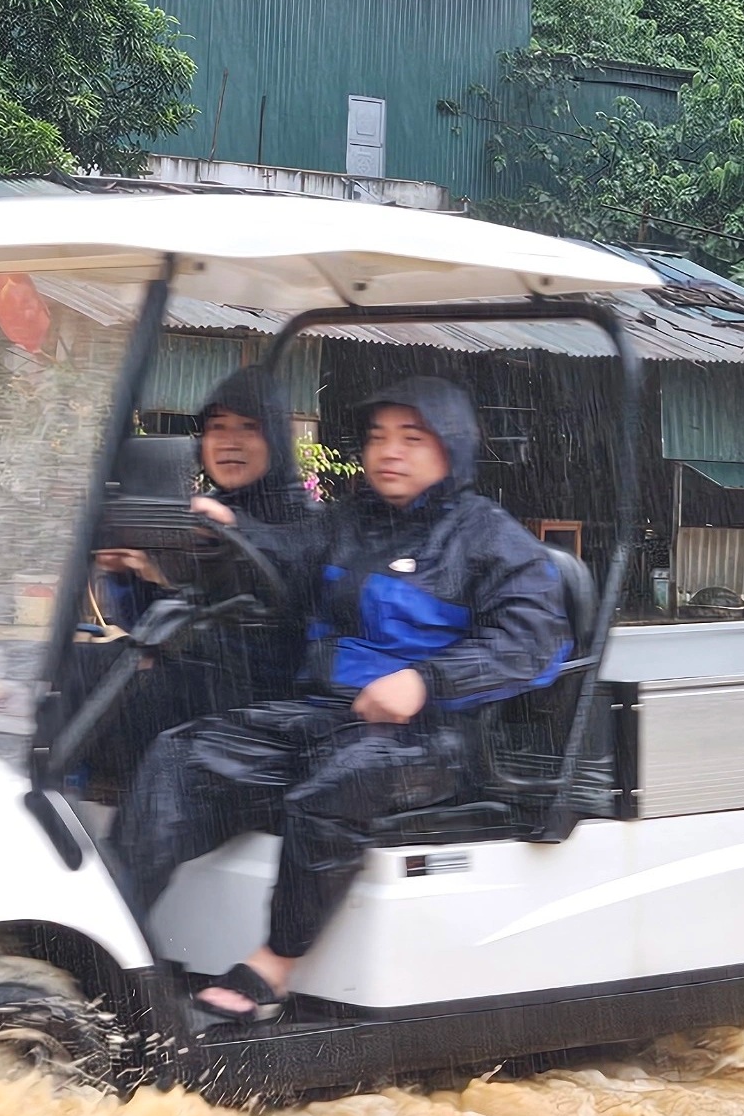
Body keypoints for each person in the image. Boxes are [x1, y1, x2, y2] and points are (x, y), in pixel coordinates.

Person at [116, 376, 573, 1022]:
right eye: (379, 437)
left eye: (411, 438)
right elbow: (283, 555)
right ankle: (112, 937)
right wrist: (226, 527)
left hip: (437, 735)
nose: (389, 451)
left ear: (453, 447)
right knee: (184, 754)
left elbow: (533, 643)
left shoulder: (490, 539)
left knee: (337, 782)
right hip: (330, 713)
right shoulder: (352, 522)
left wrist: (426, 681)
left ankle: (273, 966)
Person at [75, 368, 315, 787]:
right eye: (217, 427)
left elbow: (284, 603)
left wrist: (237, 531)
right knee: (47, 664)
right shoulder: (196, 518)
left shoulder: (308, 524)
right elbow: (142, 622)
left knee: (104, 686)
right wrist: (131, 573)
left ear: (276, 439)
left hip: (258, 702)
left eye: (249, 428)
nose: (230, 442)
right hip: (195, 679)